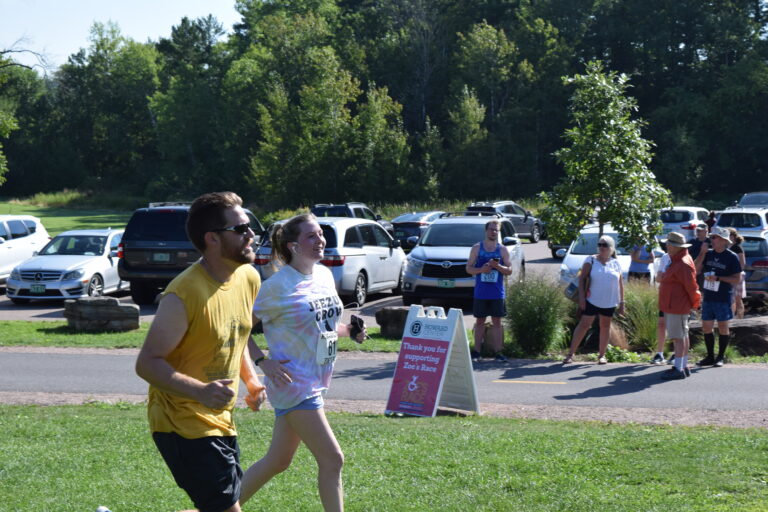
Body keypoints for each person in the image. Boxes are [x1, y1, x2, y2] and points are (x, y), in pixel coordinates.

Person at [135, 191, 268, 512]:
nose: (251, 235)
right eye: (240, 230)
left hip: (221, 419)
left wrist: (251, 381)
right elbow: (147, 364)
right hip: (181, 422)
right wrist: (202, 391)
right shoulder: (183, 294)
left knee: (214, 506)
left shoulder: (248, 278)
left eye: (249, 227)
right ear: (212, 238)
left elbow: (236, 339)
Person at [240, 214, 366, 512]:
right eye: (312, 236)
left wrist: (350, 331)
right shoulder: (275, 286)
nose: (320, 240)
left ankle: (219, 508)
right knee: (333, 458)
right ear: (294, 246)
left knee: (278, 461)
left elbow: (325, 326)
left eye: (321, 234)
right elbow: (238, 329)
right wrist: (262, 361)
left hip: (317, 377)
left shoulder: (323, 275)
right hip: (293, 383)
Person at [563, 235, 625, 365]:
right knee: (584, 325)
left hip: (609, 301)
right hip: (591, 299)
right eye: (600, 245)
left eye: (605, 245)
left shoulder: (615, 263)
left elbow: (620, 284)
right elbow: (581, 279)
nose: (601, 247)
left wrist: (621, 302)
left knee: (605, 326)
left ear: (611, 248)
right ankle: (570, 354)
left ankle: (602, 355)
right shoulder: (590, 260)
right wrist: (581, 298)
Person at [465, 219, 514, 362]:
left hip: (497, 293)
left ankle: (498, 352)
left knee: (497, 323)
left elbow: (509, 270)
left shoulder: (502, 249)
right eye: (491, 229)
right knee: (479, 322)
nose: (493, 232)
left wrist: (497, 267)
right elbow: (468, 268)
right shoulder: (476, 248)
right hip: (481, 292)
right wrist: (482, 270)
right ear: (486, 231)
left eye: (496, 230)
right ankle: (477, 352)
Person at [693, 226, 743, 367]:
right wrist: (702, 253)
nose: (711, 240)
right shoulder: (707, 254)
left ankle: (720, 357)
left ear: (723, 240)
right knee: (707, 327)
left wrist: (718, 278)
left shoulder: (731, 257)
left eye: (714, 237)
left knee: (722, 327)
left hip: (723, 297)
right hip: (708, 297)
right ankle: (709, 357)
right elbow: (696, 270)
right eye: (711, 237)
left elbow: (736, 279)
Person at [658, 232, 701, 380]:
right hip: (674, 304)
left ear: (676, 246)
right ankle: (682, 365)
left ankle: (679, 368)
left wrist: (695, 303)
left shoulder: (682, 262)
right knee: (682, 335)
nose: (667, 246)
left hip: (677, 305)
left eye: (669, 244)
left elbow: (691, 286)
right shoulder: (678, 259)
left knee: (678, 337)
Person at [651, 246, 671, 365]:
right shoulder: (665, 257)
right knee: (661, 324)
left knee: (676, 326)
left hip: (677, 297)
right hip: (664, 294)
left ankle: (676, 354)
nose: (668, 247)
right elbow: (658, 278)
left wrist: (665, 276)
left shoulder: (684, 257)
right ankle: (660, 353)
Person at [728, 228, 747, 319]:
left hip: (737, 275)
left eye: (729, 235)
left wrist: (734, 273)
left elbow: (742, 264)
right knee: (731, 299)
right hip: (729, 276)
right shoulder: (727, 247)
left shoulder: (737, 248)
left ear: (733, 237)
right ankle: (732, 318)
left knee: (738, 299)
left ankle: (740, 319)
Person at [688, 224, 710, 293]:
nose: (698, 232)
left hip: (706, 270)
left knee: (705, 291)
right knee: (693, 290)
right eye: (697, 230)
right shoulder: (692, 242)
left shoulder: (711, 242)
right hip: (693, 269)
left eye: (700, 231)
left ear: (706, 231)